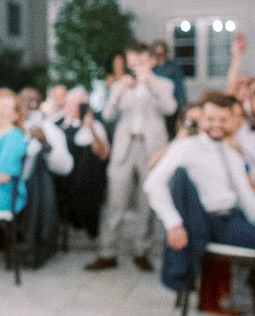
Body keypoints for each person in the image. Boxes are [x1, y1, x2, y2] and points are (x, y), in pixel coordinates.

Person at [146, 92, 255, 294]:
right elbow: (153, 184)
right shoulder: (186, 148)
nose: (216, 124)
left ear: (231, 121)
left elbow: (246, 196)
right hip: (210, 223)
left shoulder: (231, 153)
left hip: (235, 217)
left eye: (223, 119)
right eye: (211, 119)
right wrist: (173, 222)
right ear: (202, 119)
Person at [88, 43, 178, 271]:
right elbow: (107, 115)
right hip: (124, 148)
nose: (135, 67)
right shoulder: (121, 85)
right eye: (132, 63)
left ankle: (141, 250)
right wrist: (117, 92)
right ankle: (107, 251)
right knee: (115, 200)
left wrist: (150, 83)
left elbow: (170, 109)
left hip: (151, 149)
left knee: (146, 200)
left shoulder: (163, 84)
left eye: (139, 62)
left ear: (150, 62)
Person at [56, 86, 109, 239]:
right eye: (71, 104)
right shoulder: (57, 124)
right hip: (65, 181)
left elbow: (104, 154)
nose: (74, 108)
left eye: (79, 105)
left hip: (90, 182)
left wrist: (90, 129)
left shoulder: (95, 126)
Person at [151, 39, 188, 130]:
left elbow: (179, 87)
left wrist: (182, 106)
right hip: (154, 106)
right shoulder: (151, 68)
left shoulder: (173, 67)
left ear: (166, 53)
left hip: (171, 104)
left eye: (162, 53)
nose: (160, 56)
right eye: (157, 53)